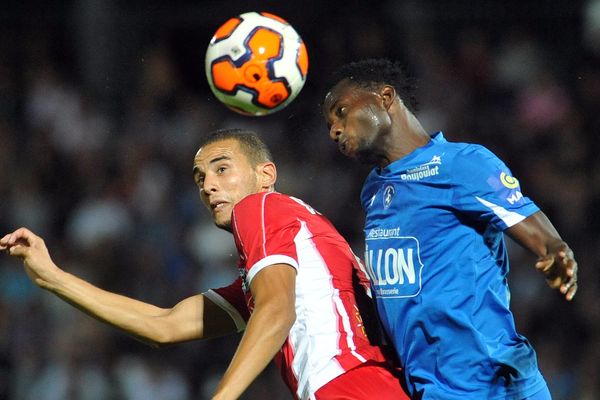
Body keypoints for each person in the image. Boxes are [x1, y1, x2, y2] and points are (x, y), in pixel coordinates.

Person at [1, 128, 410, 400]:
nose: (209, 184)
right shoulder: (294, 245)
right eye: (200, 178)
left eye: (222, 169)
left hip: (349, 388)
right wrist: (53, 278)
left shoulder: (260, 208)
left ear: (265, 174)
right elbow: (166, 325)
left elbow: (277, 310)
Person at [321, 58, 579, 400]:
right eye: (329, 124)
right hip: (428, 388)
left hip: (492, 383)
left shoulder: (460, 163)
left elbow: (530, 224)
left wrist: (555, 250)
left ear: (385, 97)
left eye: (341, 112)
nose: (334, 131)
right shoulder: (373, 189)